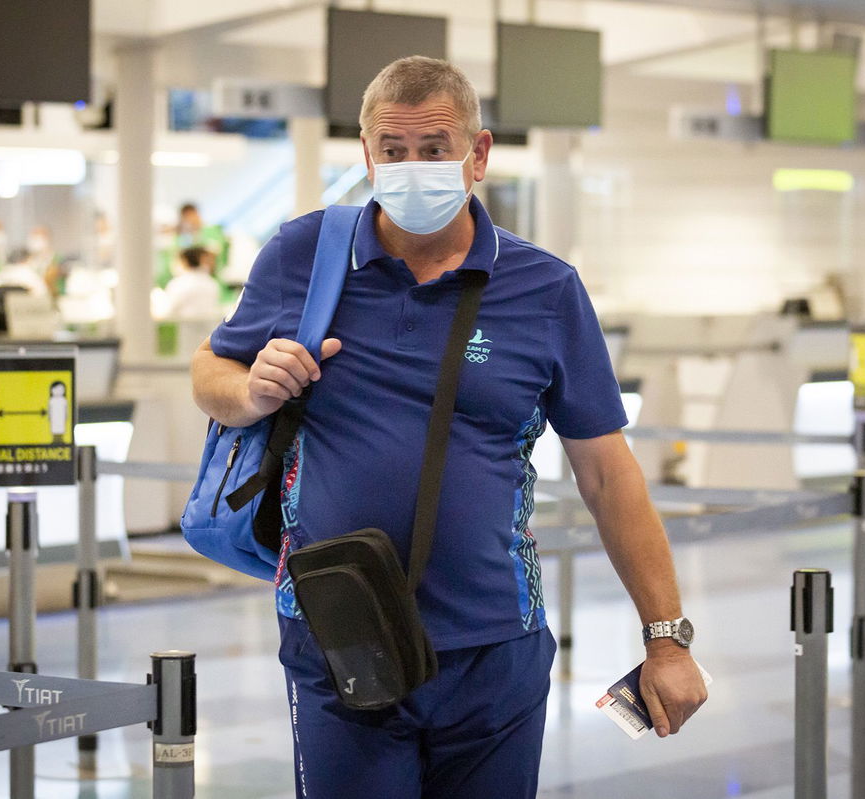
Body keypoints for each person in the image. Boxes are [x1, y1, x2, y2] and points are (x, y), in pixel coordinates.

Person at [190, 56, 706, 799]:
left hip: (494, 644)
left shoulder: (545, 289)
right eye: (392, 151)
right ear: (366, 155)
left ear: (479, 154)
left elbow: (607, 472)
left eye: (434, 148)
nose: (411, 168)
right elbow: (210, 370)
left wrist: (666, 638)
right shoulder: (303, 255)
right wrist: (252, 391)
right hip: (339, 630)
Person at [163, 247, 222, 319]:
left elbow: (167, 312)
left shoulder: (179, 283)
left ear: (184, 261)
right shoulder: (211, 282)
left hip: (183, 328)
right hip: (208, 328)